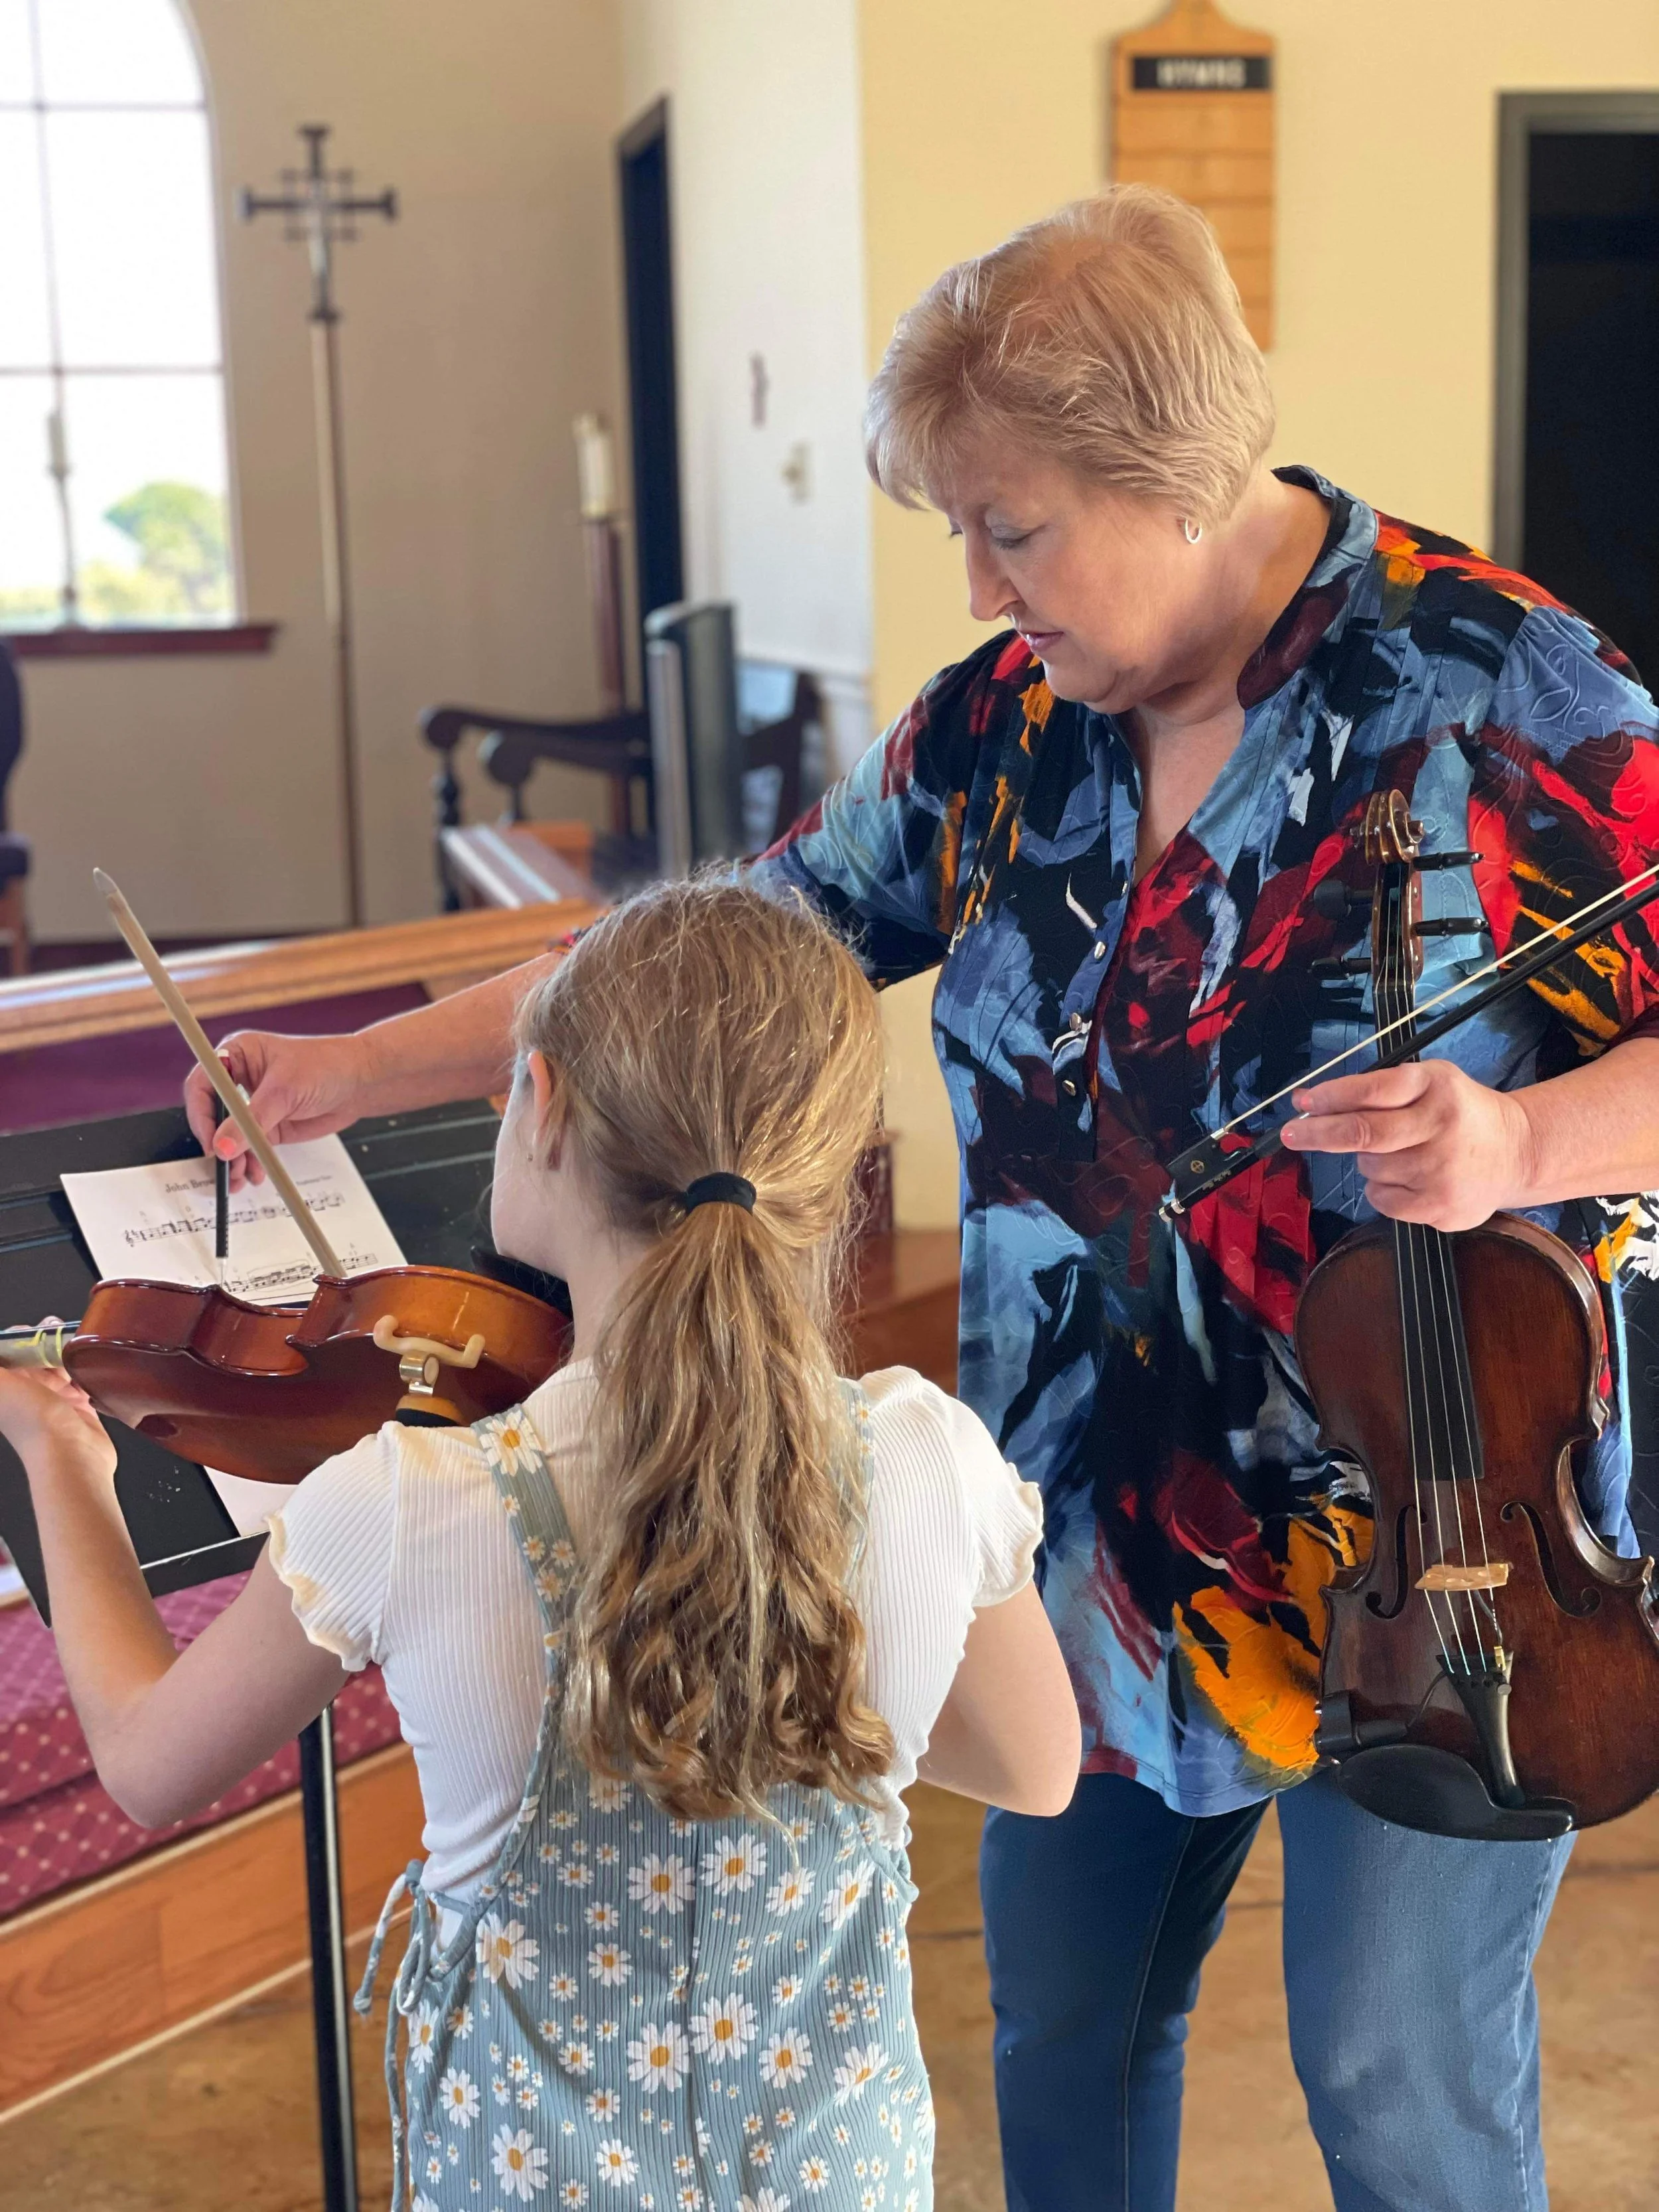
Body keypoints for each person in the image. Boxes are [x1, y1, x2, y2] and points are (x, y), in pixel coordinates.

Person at [184, 188, 1659, 2211]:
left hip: (1444, 1548)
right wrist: (354, 1064)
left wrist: (1520, 1146)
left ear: (1175, 472)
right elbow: (684, 963)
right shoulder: (999, 730)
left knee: (1395, 2082)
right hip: (1082, 1537)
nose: (974, 580)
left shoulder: (1509, 691)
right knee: (1063, 2046)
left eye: (1012, 525)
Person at [1, 879, 1080, 2211]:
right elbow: (1034, 1767)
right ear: (832, 1159)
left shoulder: (417, 1497)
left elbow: (150, 1762)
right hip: (833, 2175)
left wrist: (63, 1462)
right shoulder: (925, 1452)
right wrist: (795, 1688)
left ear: (544, 1104)